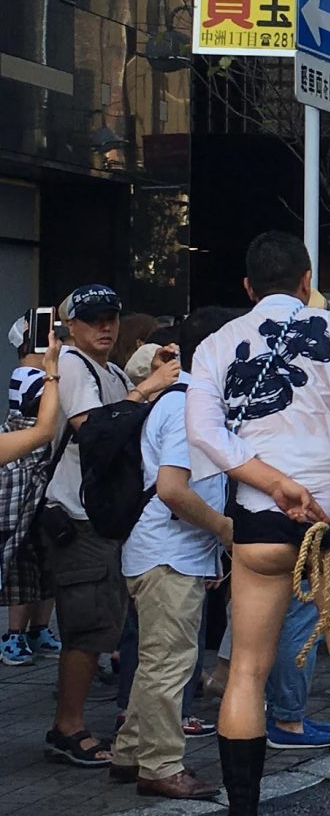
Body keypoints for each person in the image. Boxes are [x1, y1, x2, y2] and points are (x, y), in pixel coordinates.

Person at [186, 231, 330, 816]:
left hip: (261, 521)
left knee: (246, 668)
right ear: (307, 281)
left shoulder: (218, 345)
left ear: (248, 288)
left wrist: (273, 483)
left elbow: (203, 433)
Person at [38, 285, 182, 767]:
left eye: (111, 318)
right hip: (77, 518)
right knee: (86, 629)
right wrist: (148, 388)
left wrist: (152, 367)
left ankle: (72, 722)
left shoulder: (108, 368)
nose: (105, 327)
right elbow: (95, 432)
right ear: (71, 326)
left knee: (101, 624)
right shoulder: (74, 367)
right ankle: (68, 726)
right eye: (93, 319)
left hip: (97, 517)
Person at [110, 307, 241, 800]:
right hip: (169, 552)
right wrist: (225, 531)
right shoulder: (190, 405)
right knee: (171, 664)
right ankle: (161, 765)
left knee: (156, 661)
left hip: (160, 550)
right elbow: (172, 489)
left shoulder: (180, 398)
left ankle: (129, 753)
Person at [0, 327, 63, 666]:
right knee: (22, 566)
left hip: (44, 485)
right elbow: (42, 430)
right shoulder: (26, 375)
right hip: (24, 487)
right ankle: (14, 634)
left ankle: (37, 629)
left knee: (44, 565)